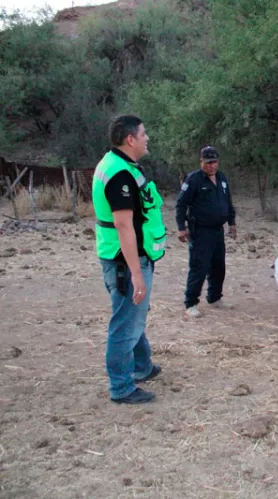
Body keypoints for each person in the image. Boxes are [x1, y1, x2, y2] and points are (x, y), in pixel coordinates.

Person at [92, 114, 167, 404]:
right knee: (125, 323)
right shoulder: (120, 174)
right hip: (124, 261)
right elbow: (123, 224)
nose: (147, 138)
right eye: (144, 133)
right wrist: (136, 272)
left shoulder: (118, 165)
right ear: (131, 139)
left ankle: (142, 366)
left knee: (134, 316)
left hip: (123, 257)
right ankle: (122, 387)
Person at [176, 146, 237, 318]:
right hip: (200, 231)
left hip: (218, 230)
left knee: (219, 267)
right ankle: (191, 303)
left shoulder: (222, 177)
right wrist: (181, 228)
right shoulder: (194, 179)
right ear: (201, 162)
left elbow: (228, 201)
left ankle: (215, 297)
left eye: (214, 162)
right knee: (199, 267)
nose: (212, 166)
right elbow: (181, 204)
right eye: (208, 162)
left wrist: (232, 223)